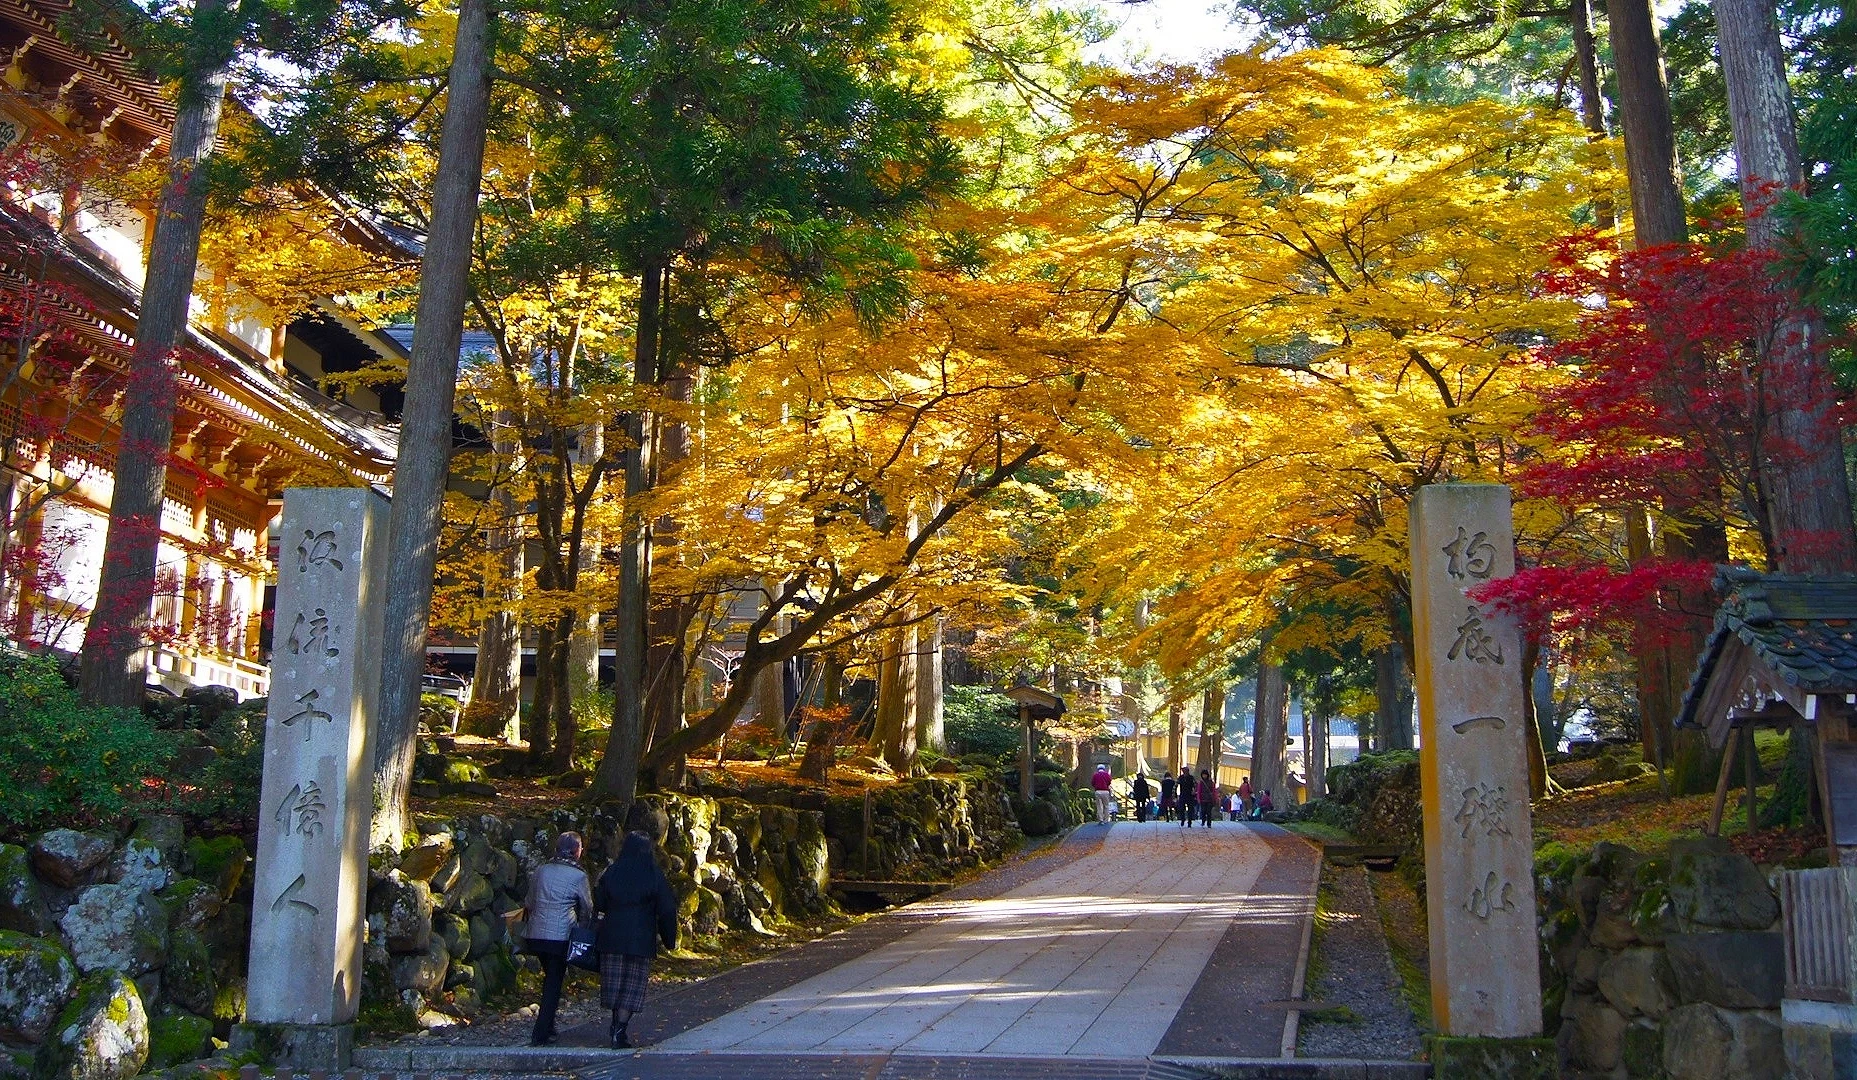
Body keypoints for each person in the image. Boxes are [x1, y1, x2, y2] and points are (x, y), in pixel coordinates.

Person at [594, 832, 679, 1049]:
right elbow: (667, 909)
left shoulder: (612, 872)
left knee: (615, 984)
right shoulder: (653, 874)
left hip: (612, 935)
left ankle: (615, 1025)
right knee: (631, 986)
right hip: (640, 938)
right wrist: (669, 939)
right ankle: (620, 1030)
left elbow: (600, 902)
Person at [522, 831, 594, 1046]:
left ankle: (548, 1026)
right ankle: (541, 1032)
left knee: (550, 979)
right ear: (576, 850)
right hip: (561, 936)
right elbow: (587, 908)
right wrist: (582, 928)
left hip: (536, 933)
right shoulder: (578, 876)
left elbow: (530, 901)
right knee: (554, 981)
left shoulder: (541, 870)